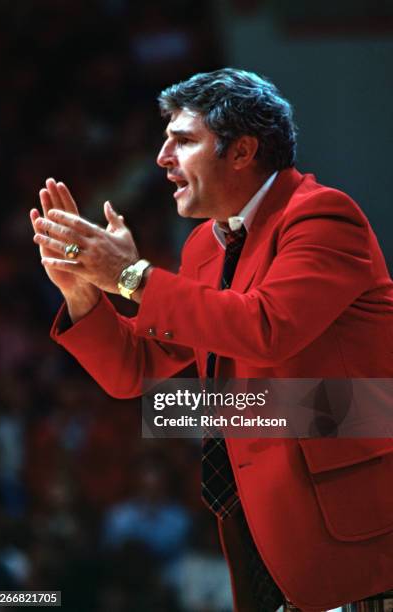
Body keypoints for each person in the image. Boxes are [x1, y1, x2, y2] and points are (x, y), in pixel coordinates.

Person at [30, 68, 393, 611]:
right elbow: (136, 372)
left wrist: (131, 277)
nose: (162, 158)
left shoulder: (321, 216)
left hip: (357, 540)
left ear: (242, 150)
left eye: (183, 140)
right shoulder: (205, 245)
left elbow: (264, 329)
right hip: (263, 529)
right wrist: (85, 292)